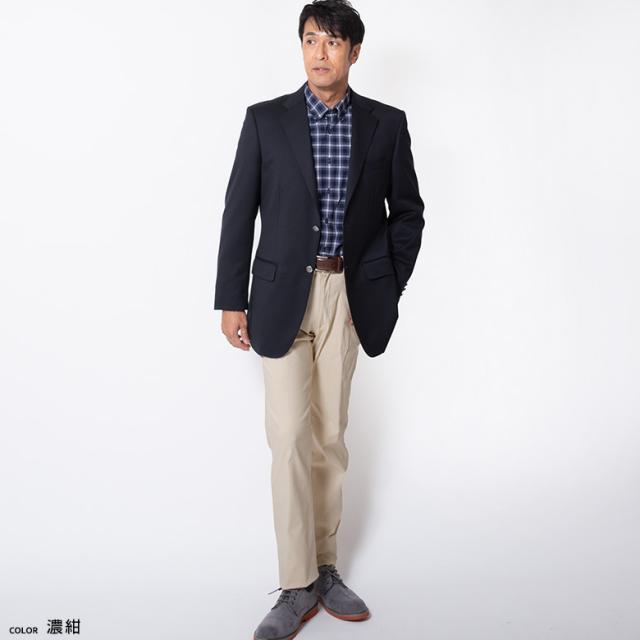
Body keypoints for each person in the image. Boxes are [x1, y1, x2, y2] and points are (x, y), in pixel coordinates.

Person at [213, 1, 425, 637]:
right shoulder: (266, 120)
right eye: (310, 40)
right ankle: (295, 583)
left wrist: (384, 283)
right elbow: (238, 211)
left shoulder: (386, 124)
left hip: (346, 294)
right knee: (288, 439)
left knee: (330, 434)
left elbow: (408, 213)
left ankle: (325, 566)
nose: (320, 53)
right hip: (280, 295)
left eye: (332, 42)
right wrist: (230, 298)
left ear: (354, 53)